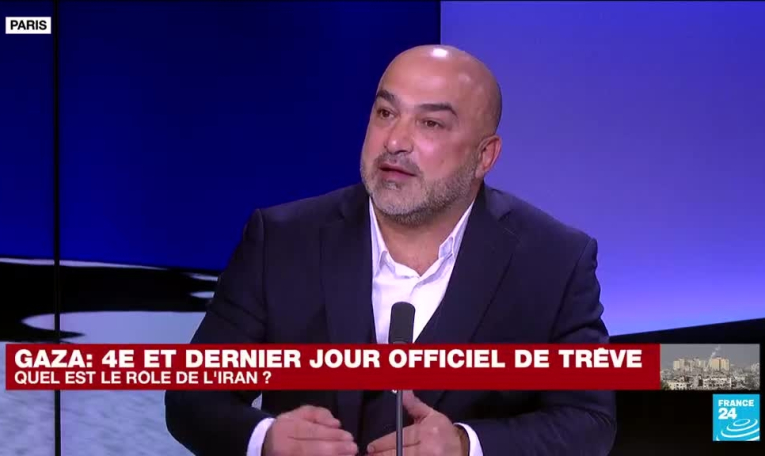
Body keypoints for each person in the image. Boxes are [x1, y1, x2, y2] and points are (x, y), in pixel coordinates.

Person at [165, 44, 616, 456]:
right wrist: (265, 439)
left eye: (430, 123)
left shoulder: (554, 262)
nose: (395, 141)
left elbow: (588, 421)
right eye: (385, 112)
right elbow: (193, 397)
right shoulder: (281, 240)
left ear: (484, 156)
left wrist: (467, 446)